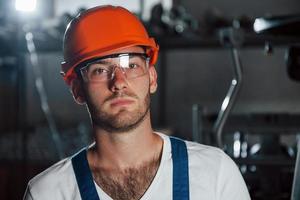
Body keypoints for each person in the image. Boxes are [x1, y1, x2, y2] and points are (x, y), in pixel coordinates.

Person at [23, 5, 251, 200]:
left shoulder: (217, 176)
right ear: (77, 89)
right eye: (101, 70)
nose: (119, 82)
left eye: (131, 65)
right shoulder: (48, 193)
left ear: (152, 78)